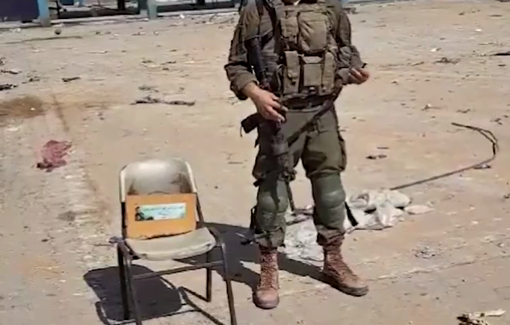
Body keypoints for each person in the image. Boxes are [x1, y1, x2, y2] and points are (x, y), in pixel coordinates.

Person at [224, 0, 370, 310]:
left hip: (323, 112)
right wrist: (256, 94)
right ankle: (268, 268)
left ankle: (333, 260)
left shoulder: (330, 6)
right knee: (272, 192)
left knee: (330, 190)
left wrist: (355, 69)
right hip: (278, 115)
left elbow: (347, 48)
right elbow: (236, 65)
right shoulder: (257, 9)